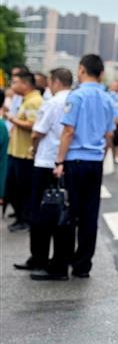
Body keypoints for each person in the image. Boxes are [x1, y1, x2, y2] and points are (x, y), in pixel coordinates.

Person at [51, 54, 118, 278]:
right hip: (95, 162)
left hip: (75, 161)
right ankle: (82, 266)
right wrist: (101, 156)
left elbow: (68, 131)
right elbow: (109, 135)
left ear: (81, 70)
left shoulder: (76, 96)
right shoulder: (108, 99)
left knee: (69, 213)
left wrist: (59, 161)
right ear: (101, 73)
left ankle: (62, 264)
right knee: (90, 215)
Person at [20, 67, 73, 279]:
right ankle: (59, 262)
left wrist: (33, 148)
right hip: (65, 161)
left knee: (40, 213)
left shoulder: (52, 102)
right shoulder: (76, 100)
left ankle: (40, 260)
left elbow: (38, 132)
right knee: (62, 214)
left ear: (56, 82)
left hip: (45, 161)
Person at [5, 71, 43, 232]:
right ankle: (21, 216)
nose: (12, 85)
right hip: (17, 151)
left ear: (25, 84)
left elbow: (34, 125)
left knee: (22, 189)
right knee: (13, 188)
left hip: (25, 154)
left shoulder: (34, 101)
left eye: (15, 82)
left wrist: (12, 119)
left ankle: (25, 219)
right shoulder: (26, 100)